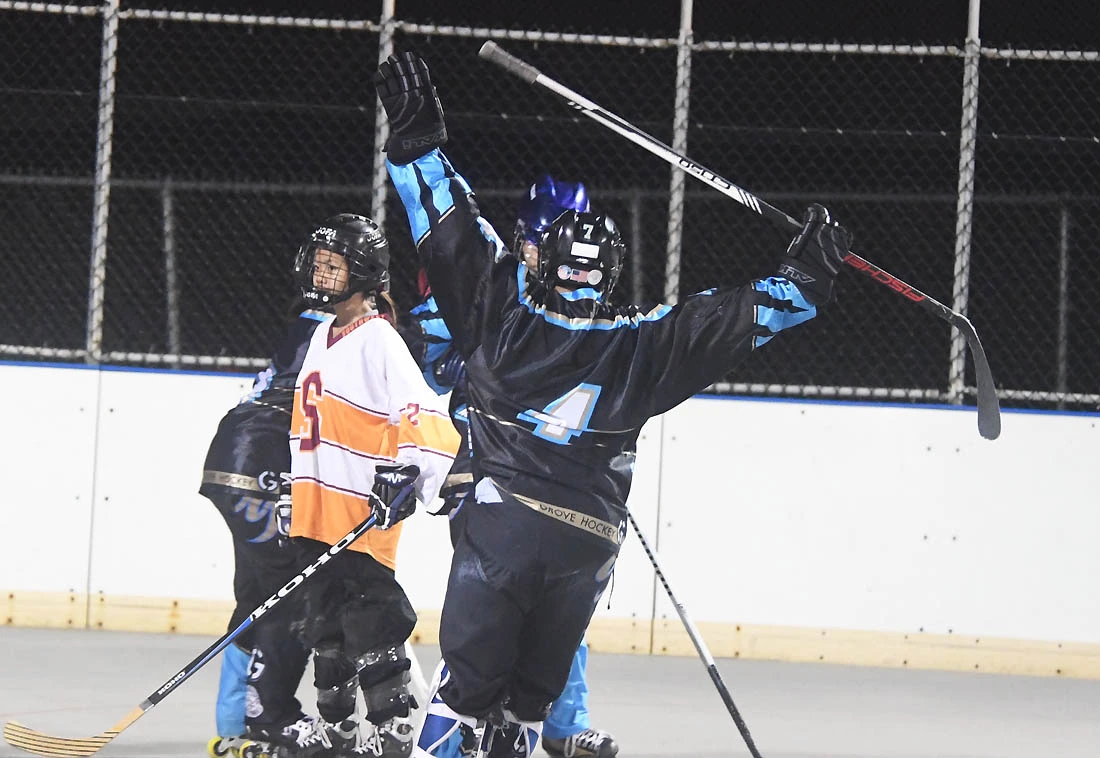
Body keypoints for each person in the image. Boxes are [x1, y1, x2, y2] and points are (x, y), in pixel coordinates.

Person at [374, 52, 851, 758]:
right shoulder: (643, 344)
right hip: (587, 542)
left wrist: (418, 145)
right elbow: (734, 317)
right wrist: (805, 277)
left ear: (540, 254)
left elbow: (453, 234)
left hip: (502, 525)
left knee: (466, 692)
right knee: (529, 709)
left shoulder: (504, 317)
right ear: (613, 270)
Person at [399, 175, 619, 758]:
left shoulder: (583, 306)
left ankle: (559, 725)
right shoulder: (491, 285)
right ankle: (467, 722)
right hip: (489, 473)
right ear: (524, 236)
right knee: (489, 614)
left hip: (557, 476)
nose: (551, 255)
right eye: (540, 240)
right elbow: (433, 365)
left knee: (559, 602)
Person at [269, 213, 461, 758]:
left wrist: (409, 473)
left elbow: (419, 411)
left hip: (359, 516)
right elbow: (310, 424)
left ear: (366, 274)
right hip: (315, 514)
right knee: (326, 638)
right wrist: (293, 488)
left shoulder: (379, 338)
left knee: (372, 633)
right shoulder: (320, 335)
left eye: (335, 267)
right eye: (320, 264)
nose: (322, 274)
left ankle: (393, 737)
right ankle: (339, 737)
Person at [200, 304, 328, 758]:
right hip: (258, 466)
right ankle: (270, 717)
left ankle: (232, 729)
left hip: (240, 459)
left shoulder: (313, 321)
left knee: (258, 596)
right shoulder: (339, 328)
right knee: (292, 589)